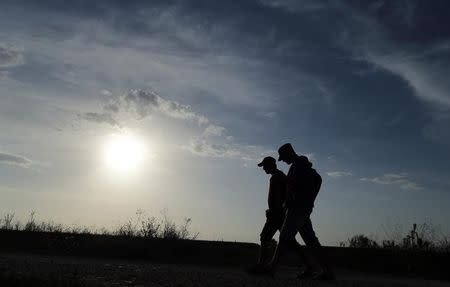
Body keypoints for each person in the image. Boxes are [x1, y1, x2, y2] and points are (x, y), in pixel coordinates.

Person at [266, 143, 335, 280]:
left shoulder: (300, 164)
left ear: (288, 154)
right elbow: (315, 180)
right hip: (300, 208)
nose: (283, 161)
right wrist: (309, 201)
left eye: (283, 158)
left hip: (298, 209)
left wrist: (308, 200)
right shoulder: (297, 166)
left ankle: (272, 268)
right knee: (311, 241)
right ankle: (324, 271)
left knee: (285, 237)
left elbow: (317, 180)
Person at [246, 156, 287, 272]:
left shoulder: (277, 177)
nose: (263, 169)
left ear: (271, 165)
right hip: (279, 214)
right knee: (289, 240)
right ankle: (309, 264)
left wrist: (272, 211)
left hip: (276, 214)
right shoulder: (278, 176)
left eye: (264, 166)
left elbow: (279, 198)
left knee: (264, 237)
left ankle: (261, 265)